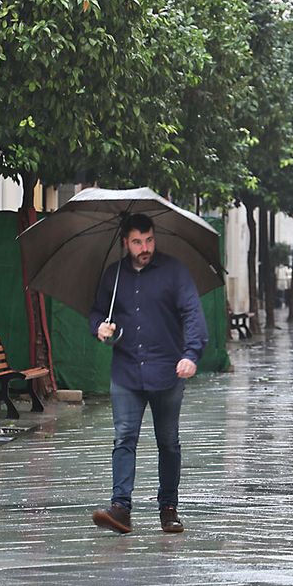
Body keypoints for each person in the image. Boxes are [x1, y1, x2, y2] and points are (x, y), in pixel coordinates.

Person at [87, 213, 207, 535]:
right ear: (125, 242)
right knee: (124, 438)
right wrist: (98, 327)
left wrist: (191, 354)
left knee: (168, 442)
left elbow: (193, 313)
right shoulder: (113, 277)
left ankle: (168, 508)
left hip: (167, 371)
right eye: (138, 241)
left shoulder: (174, 272)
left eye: (149, 240)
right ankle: (120, 508)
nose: (145, 247)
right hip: (126, 371)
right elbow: (99, 311)